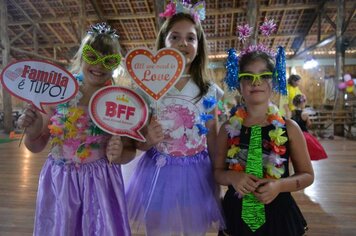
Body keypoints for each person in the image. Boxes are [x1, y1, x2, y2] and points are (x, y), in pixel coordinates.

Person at [17, 22, 134, 236]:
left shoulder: (119, 101)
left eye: (108, 60)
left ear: (116, 64)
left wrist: (120, 154)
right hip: (61, 180)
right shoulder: (59, 92)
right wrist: (33, 130)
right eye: (92, 56)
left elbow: (129, 151)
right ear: (81, 56)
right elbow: (36, 145)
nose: (99, 65)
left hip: (101, 181)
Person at [122, 2, 224, 235]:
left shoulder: (208, 90)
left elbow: (213, 138)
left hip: (197, 172)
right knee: (158, 229)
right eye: (175, 37)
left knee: (194, 228)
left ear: (199, 46)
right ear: (163, 42)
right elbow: (138, 141)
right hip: (158, 170)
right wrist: (148, 139)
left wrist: (216, 182)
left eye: (191, 38)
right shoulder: (147, 88)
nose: (183, 44)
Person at [214, 48, 314, 235]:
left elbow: (307, 175)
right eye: (248, 76)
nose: (256, 82)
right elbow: (217, 172)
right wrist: (233, 177)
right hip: (236, 213)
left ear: (274, 81)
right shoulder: (227, 129)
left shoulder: (289, 128)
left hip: (279, 214)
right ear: (239, 84)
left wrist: (279, 185)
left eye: (264, 75)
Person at [291, 94, 328, 161]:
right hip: (304, 135)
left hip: (294, 135)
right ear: (302, 103)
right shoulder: (305, 114)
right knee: (310, 152)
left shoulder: (292, 112)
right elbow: (309, 124)